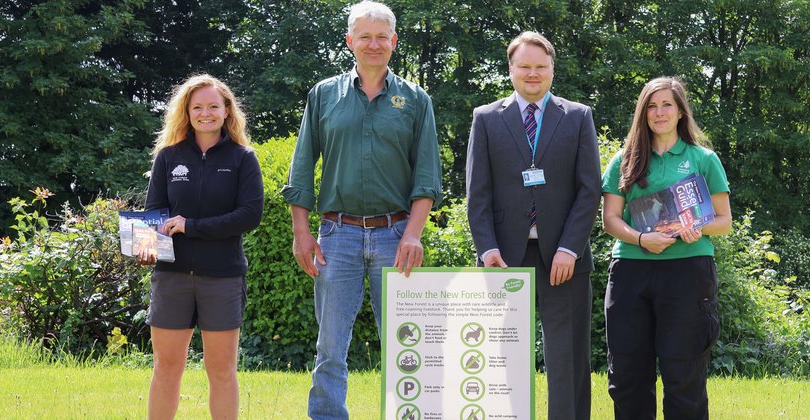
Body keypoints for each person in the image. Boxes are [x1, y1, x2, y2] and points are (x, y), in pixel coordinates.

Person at [280, 1, 442, 418]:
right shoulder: (323, 95)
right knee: (331, 346)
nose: (374, 44)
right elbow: (300, 170)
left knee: (405, 342)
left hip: (396, 236)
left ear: (394, 41)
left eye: (381, 36)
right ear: (350, 41)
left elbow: (426, 176)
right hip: (338, 235)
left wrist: (413, 233)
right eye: (365, 36)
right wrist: (302, 232)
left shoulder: (417, 100)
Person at [465, 31, 601, 420]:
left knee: (567, 357)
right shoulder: (486, 119)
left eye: (541, 67)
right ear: (510, 69)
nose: (533, 74)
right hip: (503, 258)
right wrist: (486, 249)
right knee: (501, 357)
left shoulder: (578, 117)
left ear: (552, 70)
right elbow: (478, 193)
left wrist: (570, 248)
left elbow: (589, 190)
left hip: (565, 258)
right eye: (524, 66)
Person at [600, 76, 732, 419]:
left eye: (667, 105)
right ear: (643, 113)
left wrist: (696, 227)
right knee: (627, 376)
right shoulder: (624, 160)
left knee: (683, 375)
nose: (659, 112)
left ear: (680, 112)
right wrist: (642, 239)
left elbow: (724, 221)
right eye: (652, 106)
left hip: (687, 272)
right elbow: (611, 219)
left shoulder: (703, 159)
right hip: (631, 270)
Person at [139, 74, 264, 419]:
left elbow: (249, 215)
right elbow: (153, 213)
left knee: (221, 371)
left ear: (226, 111)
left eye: (213, 106)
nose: (205, 113)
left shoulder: (242, 158)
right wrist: (146, 244)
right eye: (197, 107)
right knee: (166, 367)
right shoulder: (168, 157)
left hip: (222, 277)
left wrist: (191, 227)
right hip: (172, 276)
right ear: (186, 112)